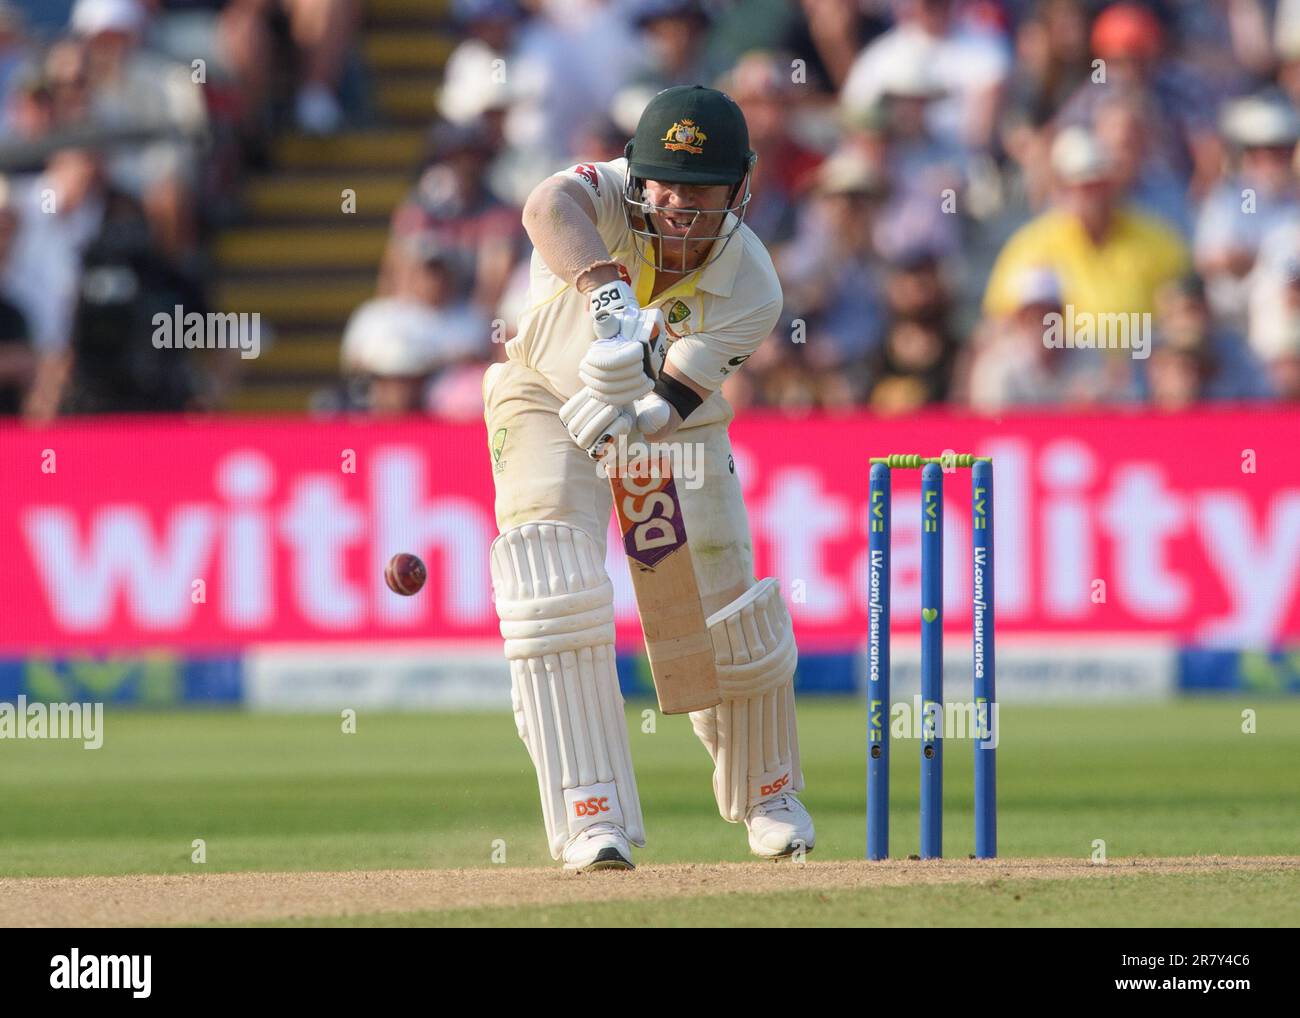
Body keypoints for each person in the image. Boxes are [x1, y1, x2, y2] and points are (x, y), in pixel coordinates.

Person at [484, 85, 811, 870]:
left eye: (700, 190)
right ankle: (588, 811)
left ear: (740, 188)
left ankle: (768, 790)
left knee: (722, 590)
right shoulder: (600, 197)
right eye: (664, 183)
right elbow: (542, 204)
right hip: (541, 397)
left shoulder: (754, 284)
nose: (677, 205)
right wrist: (604, 290)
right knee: (551, 587)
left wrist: (633, 417)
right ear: (636, 172)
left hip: (670, 420)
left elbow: (674, 403)